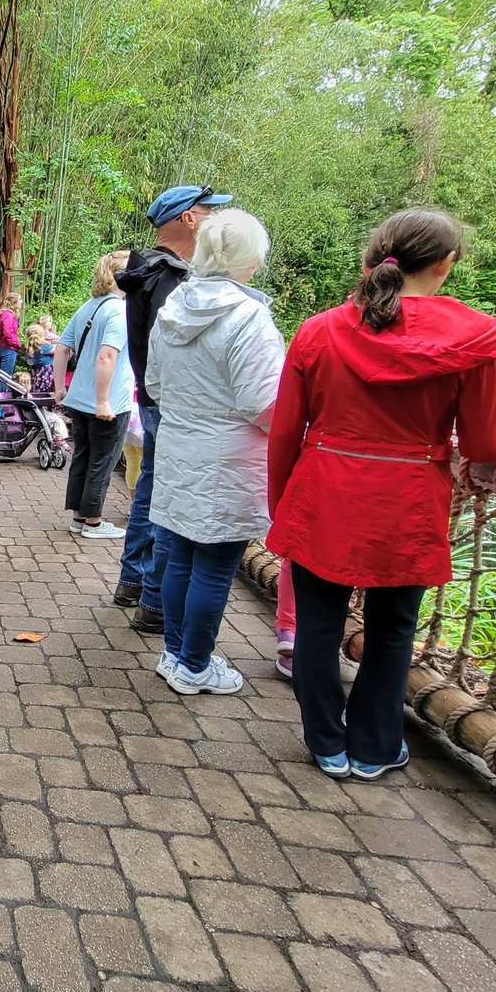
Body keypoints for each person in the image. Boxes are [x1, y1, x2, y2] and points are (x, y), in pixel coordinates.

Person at [268, 207, 496, 779]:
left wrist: (281, 503)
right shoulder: (481, 336)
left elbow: (287, 429)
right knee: (393, 627)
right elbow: (492, 441)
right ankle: (376, 745)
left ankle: (327, 745)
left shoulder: (319, 329)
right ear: (446, 264)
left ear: (376, 255)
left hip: (323, 491)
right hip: (409, 496)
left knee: (317, 623)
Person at [146, 210, 284, 695]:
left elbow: (155, 383)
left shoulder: (174, 307)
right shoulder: (248, 317)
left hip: (179, 447)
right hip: (229, 457)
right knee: (216, 564)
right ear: (250, 258)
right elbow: (265, 402)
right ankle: (195, 664)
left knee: (181, 556)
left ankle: (176, 653)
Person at [114, 184, 233, 632]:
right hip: (175, 406)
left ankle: (134, 582)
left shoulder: (148, 270)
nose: (213, 220)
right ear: (187, 218)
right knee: (170, 498)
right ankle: (155, 601)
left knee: (151, 488)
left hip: (155, 399)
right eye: (208, 212)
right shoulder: (171, 278)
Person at [54, 251, 132, 538]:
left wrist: (60, 387)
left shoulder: (88, 306)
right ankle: (94, 522)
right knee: (104, 459)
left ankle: (78, 517)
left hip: (78, 399)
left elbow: (62, 347)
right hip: (108, 402)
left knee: (83, 457)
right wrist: (103, 400)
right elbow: (107, 355)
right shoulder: (119, 311)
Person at [25, 318, 58, 401]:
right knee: (50, 393)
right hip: (48, 375)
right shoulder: (43, 347)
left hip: (39, 374)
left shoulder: (31, 348)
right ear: (41, 336)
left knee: (41, 393)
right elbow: (57, 349)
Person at [0, 293, 23, 378]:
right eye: (19, 300)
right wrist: (17, 344)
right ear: (14, 302)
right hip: (8, 348)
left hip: (5, 347)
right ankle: (3, 391)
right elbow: (8, 333)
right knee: (6, 377)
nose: (21, 302)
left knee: (5, 375)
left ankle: (3, 391)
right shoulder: (8, 316)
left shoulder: (7, 315)